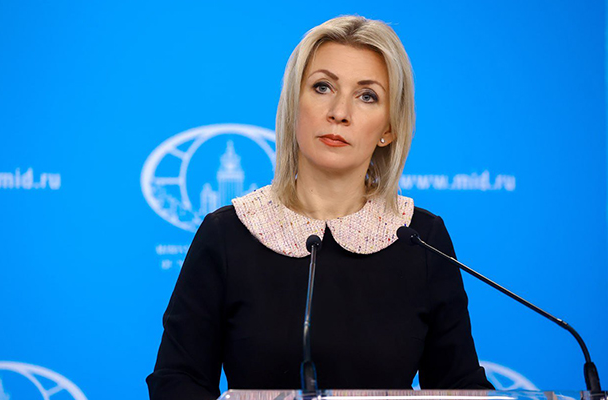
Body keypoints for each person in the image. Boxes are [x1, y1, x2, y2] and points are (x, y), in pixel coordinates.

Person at [147, 15, 494, 400]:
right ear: (294, 105)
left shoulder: (421, 238)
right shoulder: (228, 233)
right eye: (322, 87)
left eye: (367, 96)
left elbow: (460, 386)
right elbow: (177, 381)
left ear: (389, 128)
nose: (339, 112)